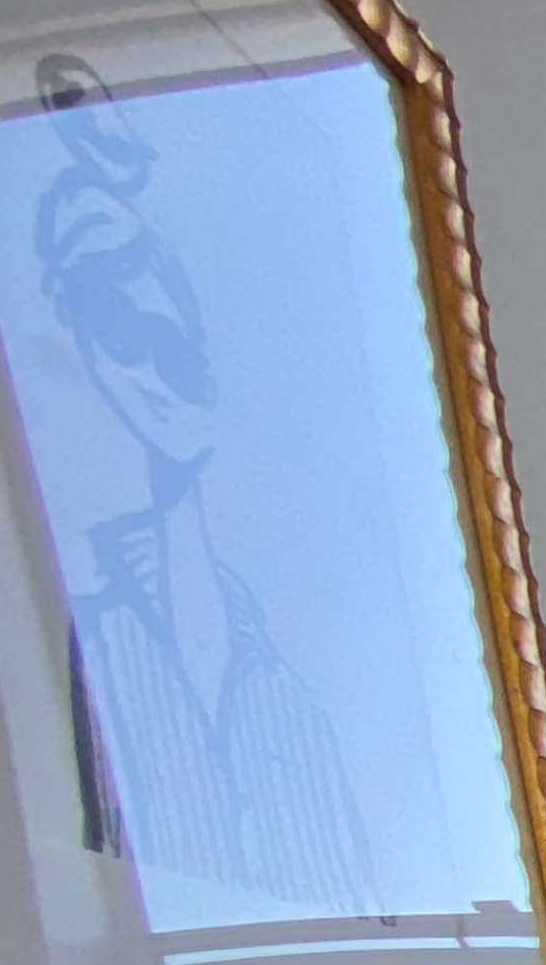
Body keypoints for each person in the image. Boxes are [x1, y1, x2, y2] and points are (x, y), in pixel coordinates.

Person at [29, 51, 375, 918]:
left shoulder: (294, 699)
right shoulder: (87, 651)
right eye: (113, 321)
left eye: (175, 341)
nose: (158, 365)